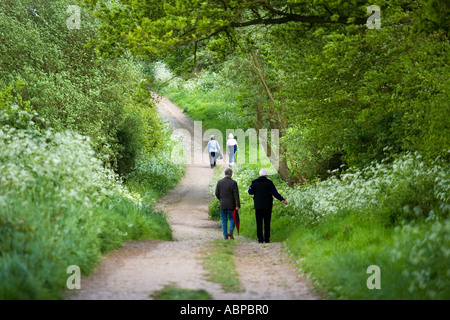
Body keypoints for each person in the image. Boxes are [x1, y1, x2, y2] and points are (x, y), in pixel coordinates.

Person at [248, 169, 288, 243]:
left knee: (259, 222)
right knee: (267, 222)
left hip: (258, 206)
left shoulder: (254, 182)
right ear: (266, 175)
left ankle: (260, 239)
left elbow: (250, 192)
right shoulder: (269, 182)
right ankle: (267, 239)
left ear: (260, 175)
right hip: (267, 206)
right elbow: (275, 193)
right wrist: (283, 200)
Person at [215, 168, 240, 240]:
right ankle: (230, 231)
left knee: (223, 220)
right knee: (232, 219)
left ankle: (225, 236)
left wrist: (221, 199)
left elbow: (217, 193)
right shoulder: (233, 183)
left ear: (225, 174)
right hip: (231, 205)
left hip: (222, 205)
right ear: (231, 174)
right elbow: (236, 195)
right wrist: (237, 205)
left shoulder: (219, 182)